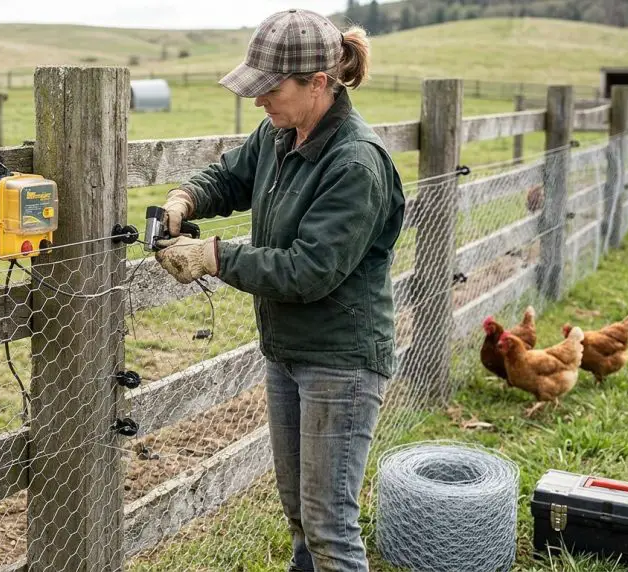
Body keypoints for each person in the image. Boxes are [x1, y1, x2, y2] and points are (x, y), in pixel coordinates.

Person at [153, 9, 405, 572]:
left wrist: (215, 256)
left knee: (329, 525)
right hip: (289, 350)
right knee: (300, 514)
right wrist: (184, 200)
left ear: (319, 83)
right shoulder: (280, 132)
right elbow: (231, 177)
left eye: (271, 88)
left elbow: (309, 270)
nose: (260, 99)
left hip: (340, 360)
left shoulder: (355, 162)